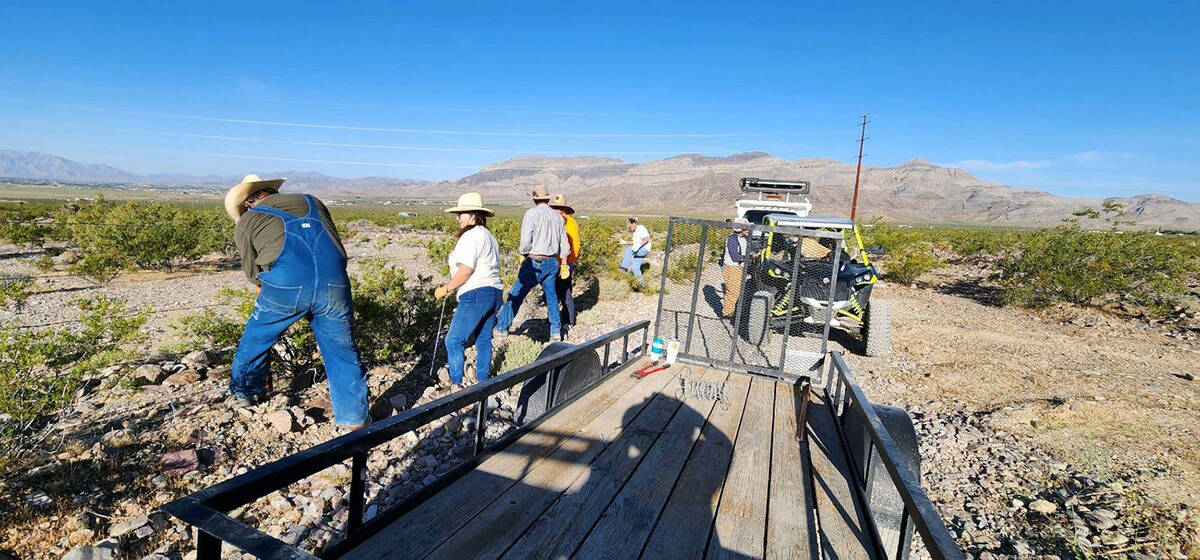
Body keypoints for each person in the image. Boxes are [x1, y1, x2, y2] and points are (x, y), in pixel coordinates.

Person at [223, 174, 368, 428]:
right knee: (341, 350)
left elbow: (252, 273)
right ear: (271, 192)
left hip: (286, 283)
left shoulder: (247, 221)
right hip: (334, 282)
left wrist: (266, 290)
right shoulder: (314, 202)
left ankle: (245, 394)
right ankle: (354, 419)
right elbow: (335, 244)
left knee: (256, 338)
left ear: (247, 203)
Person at [434, 193, 504, 386]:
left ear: (473, 214)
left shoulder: (471, 236)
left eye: (461, 214)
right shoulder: (489, 236)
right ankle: (483, 382)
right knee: (483, 340)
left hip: (476, 293)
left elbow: (466, 270)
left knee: (454, 340)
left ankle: (455, 385)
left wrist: (446, 288)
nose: (458, 218)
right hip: (494, 292)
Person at [495, 185, 571, 340]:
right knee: (551, 297)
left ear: (534, 198)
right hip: (552, 262)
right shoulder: (558, 217)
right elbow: (564, 244)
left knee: (517, 294)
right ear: (547, 198)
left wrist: (524, 253)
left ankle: (502, 328)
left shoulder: (531, 214)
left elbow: (525, 242)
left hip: (534, 261)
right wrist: (563, 264)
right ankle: (556, 332)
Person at [549, 193, 580, 328]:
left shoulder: (570, 223)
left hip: (565, 263)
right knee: (553, 290)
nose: (555, 210)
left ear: (563, 209)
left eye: (557, 208)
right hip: (557, 261)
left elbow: (574, 246)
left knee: (564, 290)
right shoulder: (557, 221)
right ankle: (555, 318)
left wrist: (567, 264)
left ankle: (568, 320)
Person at [722, 218, 750, 318]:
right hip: (732, 267)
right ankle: (728, 313)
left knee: (738, 290)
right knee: (733, 291)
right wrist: (748, 258)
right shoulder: (732, 239)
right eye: (746, 228)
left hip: (740, 268)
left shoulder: (743, 239)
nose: (748, 229)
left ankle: (733, 312)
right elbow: (735, 256)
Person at [619, 217, 651, 284]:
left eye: (630, 226)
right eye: (629, 227)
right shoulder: (635, 231)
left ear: (635, 223)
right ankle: (641, 285)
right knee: (635, 268)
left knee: (629, 249)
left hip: (644, 249)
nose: (630, 228)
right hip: (640, 249)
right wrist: (625, 242)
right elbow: (635, 242)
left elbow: (646, 239)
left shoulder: (641, 228)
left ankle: (624, 267)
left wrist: (639, 245)